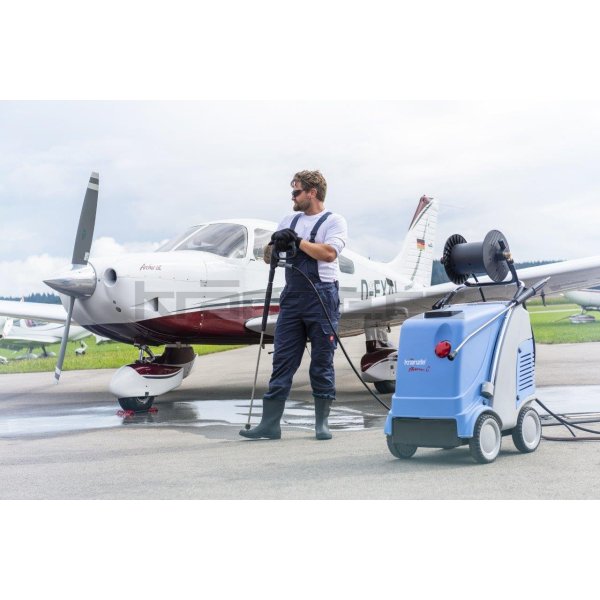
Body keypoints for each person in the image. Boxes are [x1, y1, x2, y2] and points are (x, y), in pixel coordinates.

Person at [240, 170, 348, 441]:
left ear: (312, 192)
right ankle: (269, 424)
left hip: (322, 297)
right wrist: (276, 243)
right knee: (282, 359)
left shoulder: (334, 221)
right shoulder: (289, 220)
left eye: (296, 192)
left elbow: (329, 253)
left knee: (322, 361)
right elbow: (268, 257)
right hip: (291, 297)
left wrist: (298, 241)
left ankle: (321, 424)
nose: (292, 197)